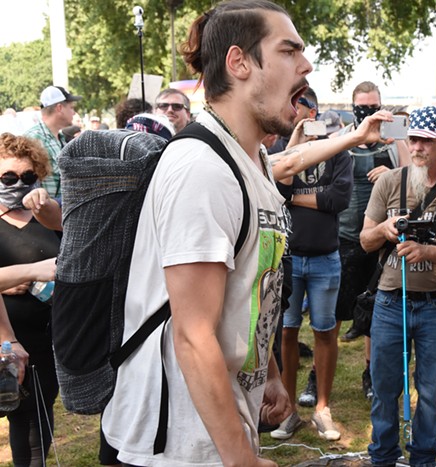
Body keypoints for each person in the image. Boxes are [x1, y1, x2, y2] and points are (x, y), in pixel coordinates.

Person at [101, 2, 312, 465]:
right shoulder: (202, 167)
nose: (306, 65)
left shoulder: (251, 160)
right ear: (239, 63)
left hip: (217, 430)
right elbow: (193, 334)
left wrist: (269, 372)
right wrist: (242, 460)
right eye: (288, 51)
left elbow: (252, 290)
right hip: (175, 445)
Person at [359, 105, 436, 466]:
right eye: (413, 138)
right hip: (390, 301)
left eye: (426, 141)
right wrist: (383, 230)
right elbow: (364, 240)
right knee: (384, 388)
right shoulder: (389, 182)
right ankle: (383, 457)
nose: (416, 147)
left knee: (431, 392)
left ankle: (423, 458)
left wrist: (428, 250)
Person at [271, 86, 353, 441]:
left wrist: (295, 197)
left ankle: (322, 408)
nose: (294, 111)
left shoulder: (336, 152)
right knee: (287, 331)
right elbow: (277, 191)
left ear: (314, 110)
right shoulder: (279, 148)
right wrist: (293, 146)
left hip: (324, 256)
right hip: (288, 256)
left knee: (324, 330)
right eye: (290, 105)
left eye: (299, 105)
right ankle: (287, 409)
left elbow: (338, 199)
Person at [336, 81, 410, 402]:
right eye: (362, 107)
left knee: (373, 313)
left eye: (373, 105)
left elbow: (413, 176)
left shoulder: (393, 140)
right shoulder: (343, 139)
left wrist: (390, 171)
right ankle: (318, 374)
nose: (367, 111)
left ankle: (369, 372)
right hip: (345, 234)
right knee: (333, 315)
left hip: (380, 239)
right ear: (354, 107)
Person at [0, 132, 62, 467]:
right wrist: (26, 273)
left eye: (27, 176)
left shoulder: (45, 216)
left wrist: (46, 204)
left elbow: (71, 240)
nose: (17, 183)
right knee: (18, 416)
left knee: (42, 411)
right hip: (8, 340)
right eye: (8, 177)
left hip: (48, 337)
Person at [24, 85, 82, 199]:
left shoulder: (60, 138)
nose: (74, 112)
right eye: (71, 107)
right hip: (44, 213)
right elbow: (27, 185)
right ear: (59, 108)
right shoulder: (33, 138)